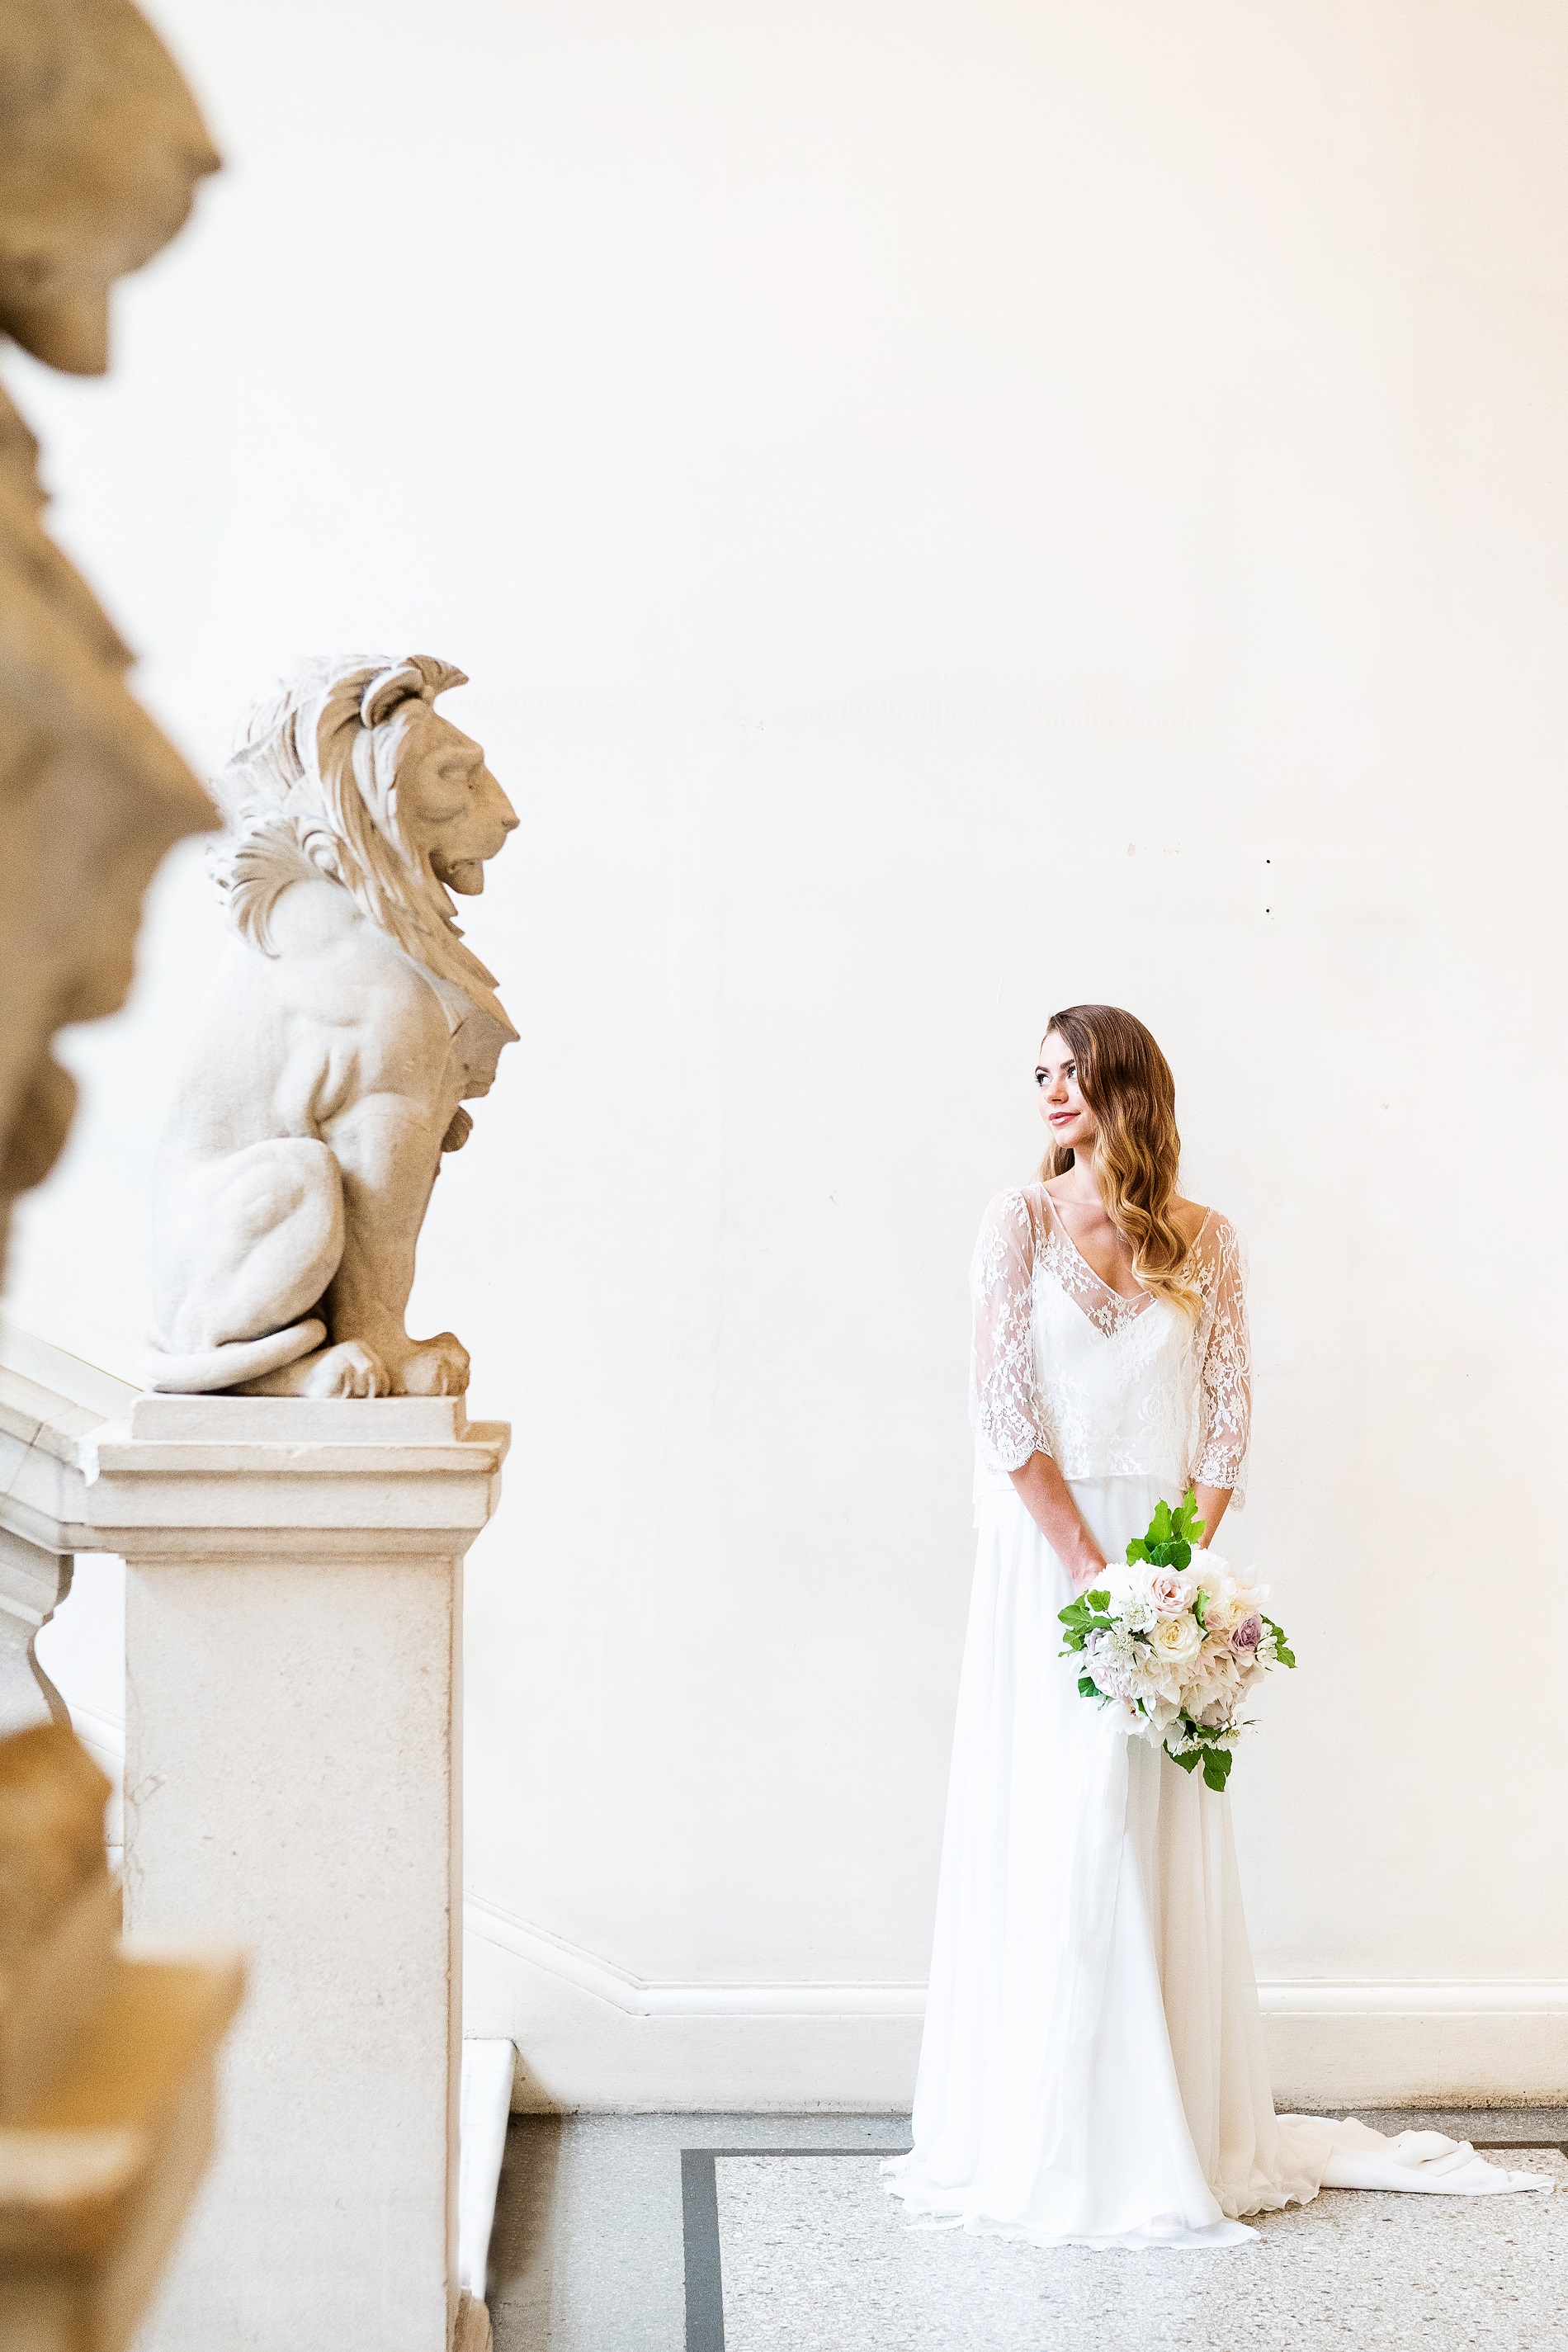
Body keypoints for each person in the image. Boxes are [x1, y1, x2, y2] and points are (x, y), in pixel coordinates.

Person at [884, 1003, 1547, 2247]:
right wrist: (1095, 1577)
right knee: (1060, 1809)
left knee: (1149, 1816)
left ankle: (1167, 2120)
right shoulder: (1015, 1222)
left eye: (1074, 1071)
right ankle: (1046, 2127)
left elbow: (1227, 1422)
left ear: (1126, 1083)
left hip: (1161, 1568)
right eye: (1040, 1073)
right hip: (1048, 1563)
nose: (1052, 1091)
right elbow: (1004, 1415)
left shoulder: (1209, 1240)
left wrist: (1171, 1579)